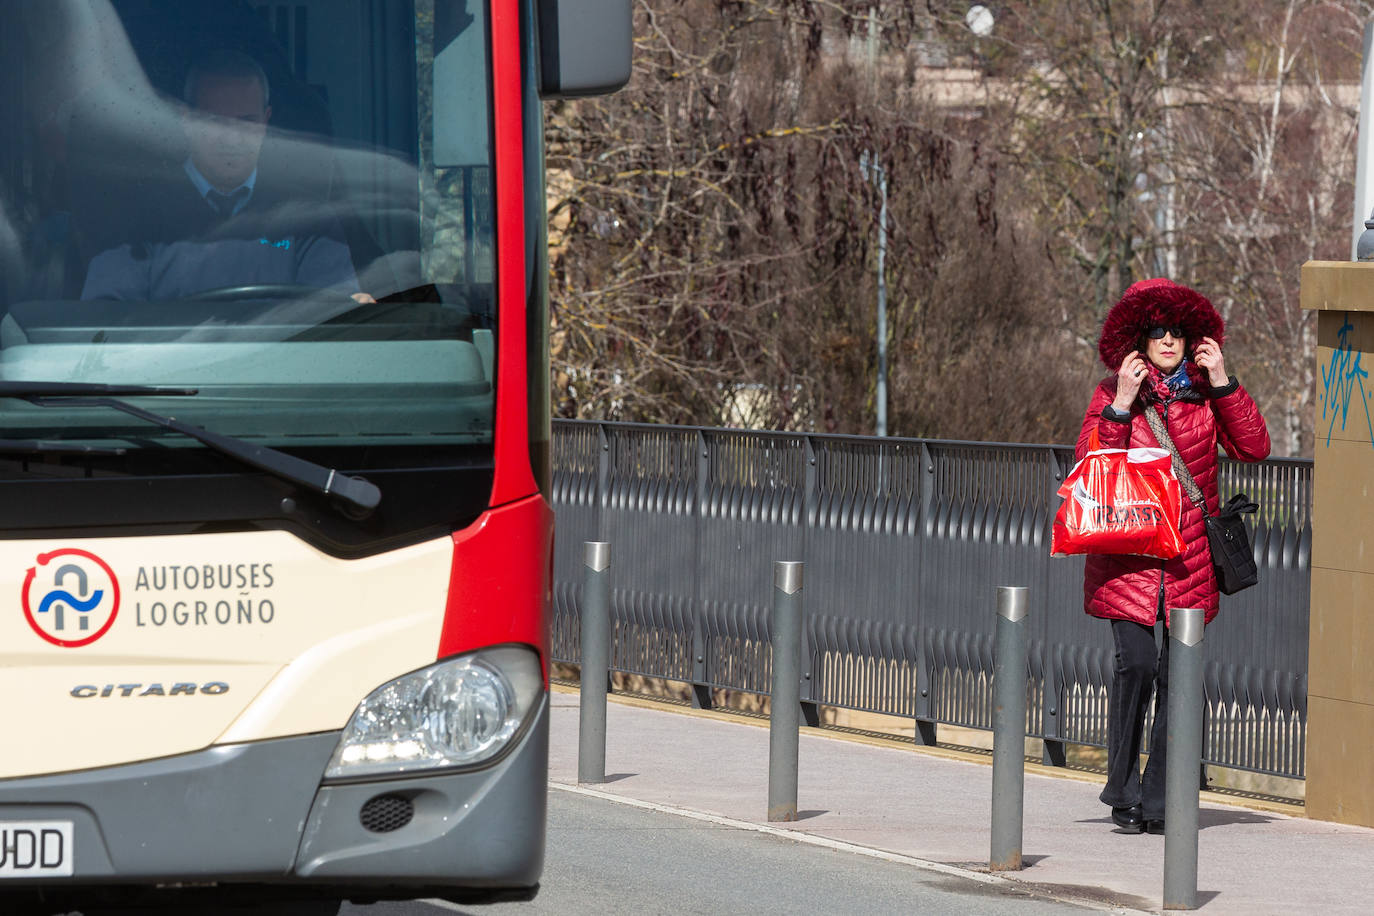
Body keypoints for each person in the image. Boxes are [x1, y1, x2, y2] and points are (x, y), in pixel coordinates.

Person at [1077, 278, 1269, 835]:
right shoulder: (1113, 393)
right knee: (1135, 664)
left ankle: (1159, 801)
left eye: (1177, 331)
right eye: (1157, 331)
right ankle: (1122, 787)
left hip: (1188, 561)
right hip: (1129, 560)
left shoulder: (1207, 396)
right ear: (1140, 339)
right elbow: (1091, 461)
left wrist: (1225, 381)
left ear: (1192, 339)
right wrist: (1120, 403)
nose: (1168, 339)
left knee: (1175, 678)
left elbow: (1255, 447)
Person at [80, 49, 369, 301]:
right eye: (216, 122)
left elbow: (335, 322)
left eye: (247, 122)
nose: (232, 140)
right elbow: (109, 325)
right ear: (186, 121)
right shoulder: (136, 217)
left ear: (266, 122)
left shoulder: (310, 217)